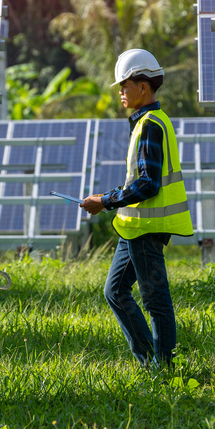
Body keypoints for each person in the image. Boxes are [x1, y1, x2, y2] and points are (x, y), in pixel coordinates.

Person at [80, 49, 193, 367]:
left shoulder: (150, 125)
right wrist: (110, 197)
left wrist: (104, 201)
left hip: (147, 227)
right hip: (133, 225)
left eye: (125, 85)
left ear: (144, 86)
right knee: (115, 291)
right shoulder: (146, 122)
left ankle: (164, 369)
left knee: (156, 301)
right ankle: (149, 360)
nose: (120, 92)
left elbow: (148, 185)